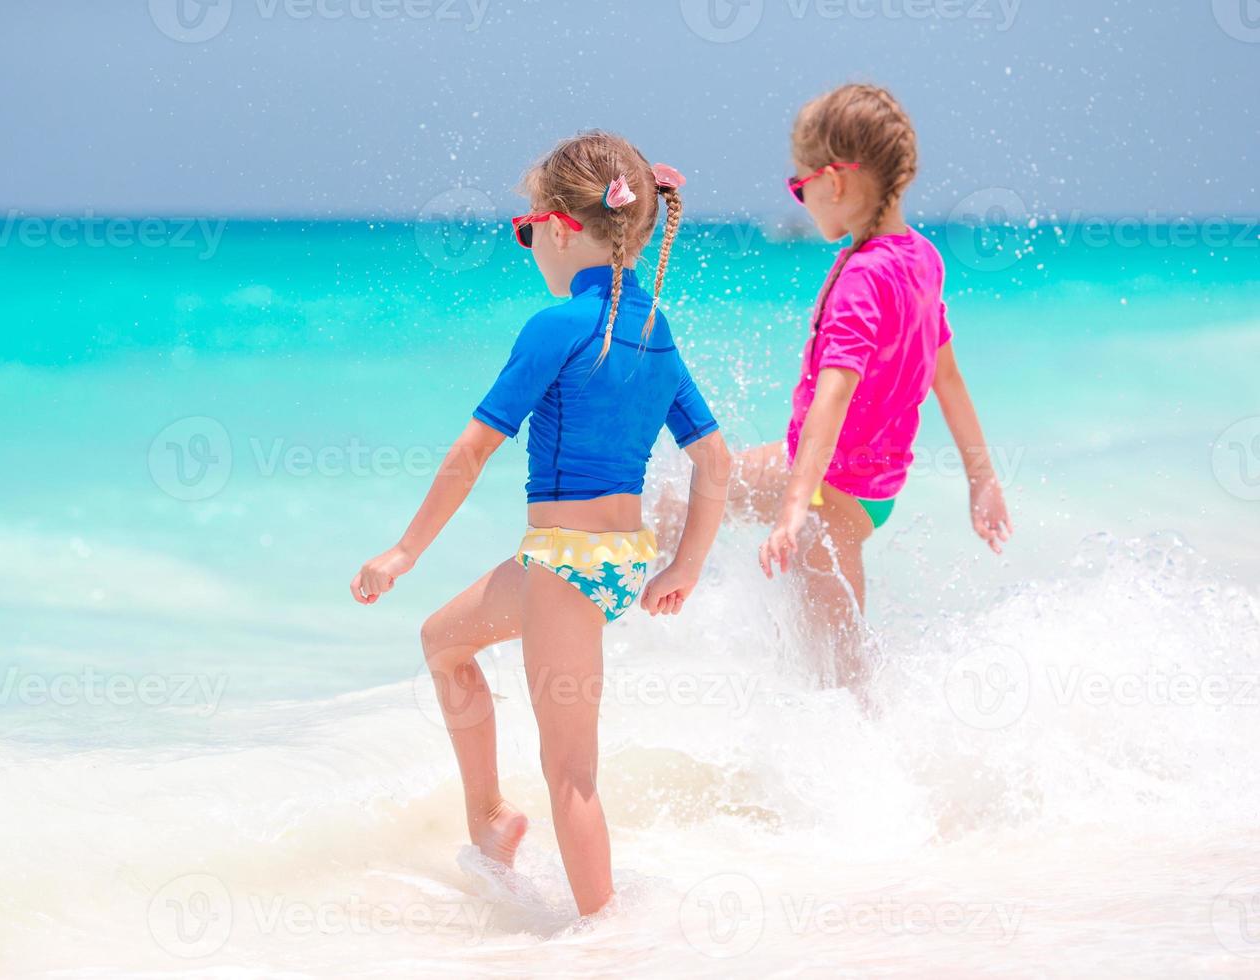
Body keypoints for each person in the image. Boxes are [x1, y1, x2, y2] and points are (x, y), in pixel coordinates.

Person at [350, 131, 730, 916]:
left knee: (573, 774)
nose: (528, 246)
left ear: (558, 227)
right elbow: (715, 462)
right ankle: (489, 819)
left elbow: (470, 452)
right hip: (616, 563)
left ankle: (606, 936)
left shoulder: (556, 326)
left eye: (526, 231)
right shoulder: (655, 328)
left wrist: (403, 550)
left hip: (564, 563)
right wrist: (684, 568)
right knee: (443, 642)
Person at [729, 83, 1012, 687]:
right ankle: (640, 576)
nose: (799, 198)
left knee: (841, 679)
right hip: (861, 488)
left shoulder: (863, 277)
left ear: (834, 181)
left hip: (830, 495)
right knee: (704, 487)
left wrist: (793, 510)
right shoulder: (922, 260)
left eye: (797, 184)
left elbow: (834, 396)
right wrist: (982, 478)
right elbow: (949, 377)